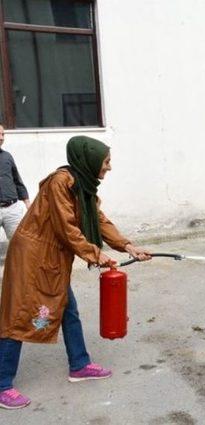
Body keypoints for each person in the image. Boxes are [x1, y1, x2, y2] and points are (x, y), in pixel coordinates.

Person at [0, 136, 151, 409]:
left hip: (51, 258)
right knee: (18, 315)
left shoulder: (83, 186)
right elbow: (67, 228)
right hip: (32, 257)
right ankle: (1, 384)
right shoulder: (61, 182)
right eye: (106, 162)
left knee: (68, 308)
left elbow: (99, 220)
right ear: (90, 160)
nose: (109, 168)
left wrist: (127, 245)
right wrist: (96, 254)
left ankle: (79, 364)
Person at [0, 124, 30, 239]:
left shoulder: (7, 156)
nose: (2, 137)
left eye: (3, 134)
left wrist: (27, 203)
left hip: (12, 209)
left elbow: (17, 180)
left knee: (18, 243)